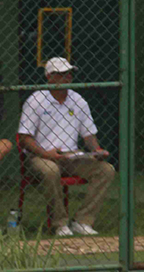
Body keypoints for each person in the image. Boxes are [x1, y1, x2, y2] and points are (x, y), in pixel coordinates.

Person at [17, 57, 114, 237]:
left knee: (106, 170)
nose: (67, 77)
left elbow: (88, 134)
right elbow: (24, 138)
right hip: (41, 156)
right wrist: (46, 154)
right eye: (61, 74)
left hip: (72, 156)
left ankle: (82, 221)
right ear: (49, 76)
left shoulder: (78, 100)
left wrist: (97, 150)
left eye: (69, 73)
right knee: (50, 170)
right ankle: (59, 224)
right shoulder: (36, 100)